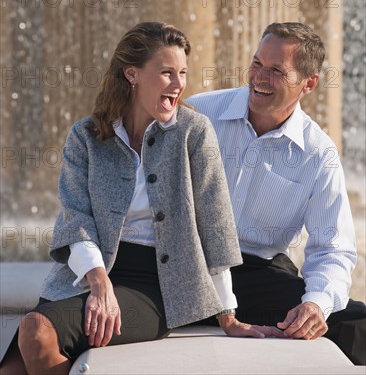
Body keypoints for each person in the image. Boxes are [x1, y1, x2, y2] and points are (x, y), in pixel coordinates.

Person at [1, 22, 283, 375]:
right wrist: (98, 280)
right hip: (90, 275)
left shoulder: (193, 132)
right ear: (132, 74)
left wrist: (227, 313)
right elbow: (75, 219)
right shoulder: (87, 136)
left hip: (155, 286)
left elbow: (215, 222)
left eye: (182, 73)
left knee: (36, 332)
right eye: (166, 73)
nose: (179, 84)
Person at [187, 21, 366, 365]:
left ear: (309, 83)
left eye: (276, 71)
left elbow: (333, 247)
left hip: (255, 274)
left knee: (356, 324)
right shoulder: (200, 114)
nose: (259, 78)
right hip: (184, 265)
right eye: (257, 64)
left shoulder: (318, 153)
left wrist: (316, 303)